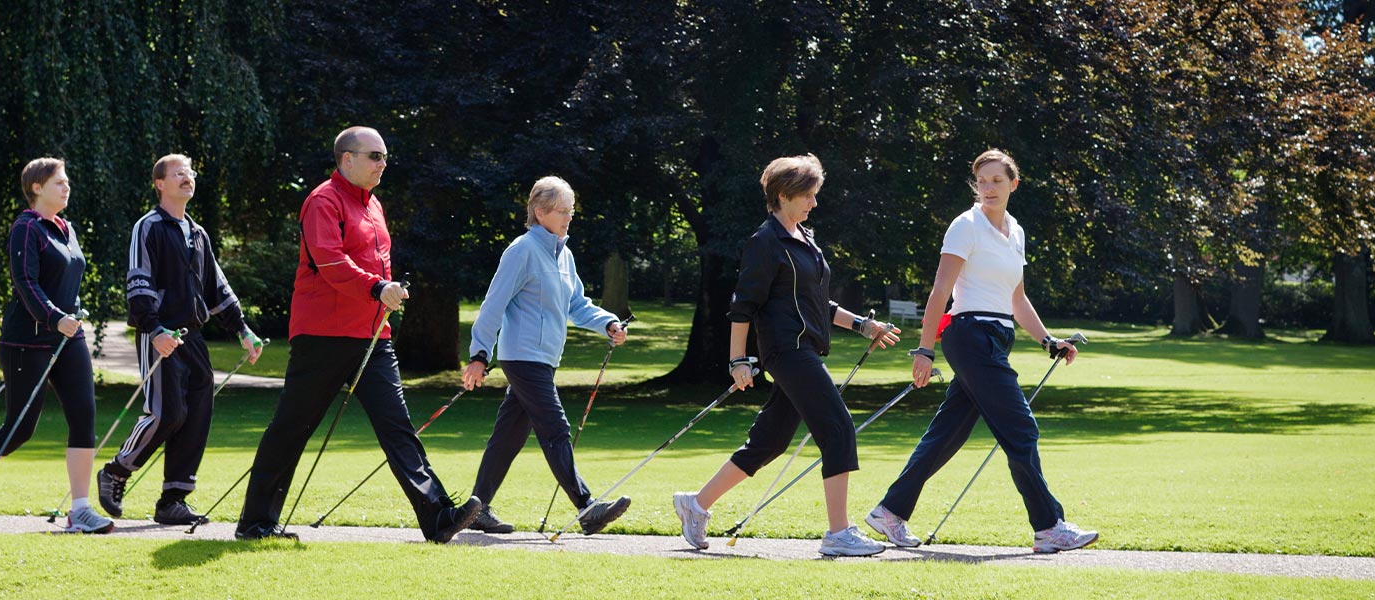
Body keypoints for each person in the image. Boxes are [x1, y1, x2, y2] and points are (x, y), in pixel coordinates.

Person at [234, 127, 482, 541]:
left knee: (397, 426)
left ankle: (438, 518)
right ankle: (256, 522)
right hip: (323, 336)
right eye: (374, 156)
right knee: (292, 427)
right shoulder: (322, 201)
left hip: (372, 337)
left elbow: (378, 263)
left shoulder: (374, 205)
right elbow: (329, 263)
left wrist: (388, 290)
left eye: (384, 156)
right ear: (346, 159)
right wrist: (376, 288)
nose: (382, 163)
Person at [863, 149, 1099, 554]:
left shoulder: (1016, 231)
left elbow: (1017, 297)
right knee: (1022, 429)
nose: (988, 188)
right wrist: (924, 350)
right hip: (969, 336)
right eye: (982, 181)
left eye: (996, 181)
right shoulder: (965, 226)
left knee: (946, 435)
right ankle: (1049, 526)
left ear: (1013, 184)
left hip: (996, 337)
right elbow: (940, 291)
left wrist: (1047, 340)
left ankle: (889, 512)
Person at [671, 154, 902, 557]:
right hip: (786, 351)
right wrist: (737, 360)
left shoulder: (804, 239)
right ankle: (838, 533)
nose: (814, 203)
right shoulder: (764, 242)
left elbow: (820, 303)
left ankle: (696, 504)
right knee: (838, 428)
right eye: (808, 195)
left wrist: (865, 326)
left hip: (806, 349)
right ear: (783, 195)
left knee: (769, 441)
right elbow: (743, 305)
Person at [0, 158, 112, 534]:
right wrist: (54, 318)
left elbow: (68, 281)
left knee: (84, 419)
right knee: (18, 430)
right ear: (36, 188)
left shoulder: (67, 229)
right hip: (26, 341)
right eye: (59, 182)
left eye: (67, 181)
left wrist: (71, 314)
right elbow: (25, 283)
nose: (66, 187)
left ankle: (79, 510)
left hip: (67, 338)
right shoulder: (26, 228)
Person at [95, 154, 264, 525]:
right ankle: (116, 471)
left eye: (190, 173)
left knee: (197, 416)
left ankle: (173, 501)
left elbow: (217, 288)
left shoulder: (198, 233)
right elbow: (137, 282)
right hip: (159, 335)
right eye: (178, 174)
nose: (187, 178)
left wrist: (244, 331)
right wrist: (153, 330)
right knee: (166, 413)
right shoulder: (148, 227)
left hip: (194, 338)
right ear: (160, 184)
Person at [460, 176, 632, 535]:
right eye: (562, 210)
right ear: (540, 212)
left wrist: (608, 323)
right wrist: (479, 353)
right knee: (555, 428)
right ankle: (586, 507)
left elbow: (577, 305)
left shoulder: (563, 254)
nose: (569, 216)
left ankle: (476, 508)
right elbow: (494, 304)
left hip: (544, 358)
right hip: (522, 356)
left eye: (571, 210)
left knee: (508, 435)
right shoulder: (522, 250)